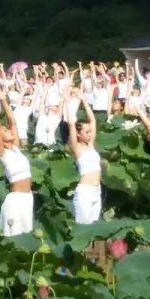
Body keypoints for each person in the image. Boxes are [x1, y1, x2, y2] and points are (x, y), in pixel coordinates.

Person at [0, 86, 34, 237]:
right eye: (5, 132)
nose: (8, 130)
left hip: (28, 198)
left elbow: (13, 122)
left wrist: (3, 100)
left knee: (27, 236)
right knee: (13, 238)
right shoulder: (2, 153)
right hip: (15, 200)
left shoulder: (16, 149)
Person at [63, 91, 101, 225]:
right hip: (85, 191)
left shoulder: (90, 145)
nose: (90, 134)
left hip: (97, 190)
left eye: (90, 132)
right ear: (78, 134)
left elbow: (93, 121)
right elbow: (71, 124)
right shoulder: (77, 147)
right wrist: (68, 103)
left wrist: (84, 100)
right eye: (87, 132)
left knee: (93, 229)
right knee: (83, 227)